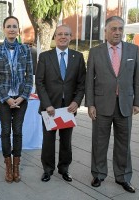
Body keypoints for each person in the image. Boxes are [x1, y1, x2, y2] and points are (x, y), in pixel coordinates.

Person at [85, 16, 139, 193]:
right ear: (106, 31)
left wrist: (138, 101)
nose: (117, 32)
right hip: (101, 105)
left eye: (120, 29)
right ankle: (98, 174)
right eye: (113, 29)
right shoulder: (95, 52)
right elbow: (90, 81)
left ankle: (123, 177)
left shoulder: (133, 50)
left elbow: (138, 78)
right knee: (99, 142)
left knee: (123, 144)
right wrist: (90, 104)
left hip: (125, 105)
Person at [35, 25, 86, 183]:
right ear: (54, 37)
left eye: (66, 34)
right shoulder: (44, 56)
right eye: (60, 34)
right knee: (48, 141)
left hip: (68, 109)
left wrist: (76, 102)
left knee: (66, 141)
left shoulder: (77, 57)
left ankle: (64, 169)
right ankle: (47, 170)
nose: (63, 36)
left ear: (71, 37)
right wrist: (47, 104)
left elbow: (81, 83)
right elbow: (40, 83)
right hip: (49, 108)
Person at [0, 16, 33, 183]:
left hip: (21, 98)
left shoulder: (26, 50)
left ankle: (16, 165)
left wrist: (22, 97)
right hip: (4, 99)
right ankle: (8, 166)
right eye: (9, 26)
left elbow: (30, 76)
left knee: (18, 131)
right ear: (3, 29)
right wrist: (7, 98)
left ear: (18, 30)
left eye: (15, 26)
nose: (12, 29)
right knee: (6, 131)